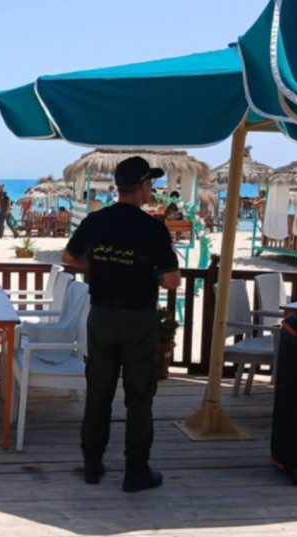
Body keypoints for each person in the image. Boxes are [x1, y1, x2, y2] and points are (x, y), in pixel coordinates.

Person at [62, 156, 181, 493]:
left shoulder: (96, 221)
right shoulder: (153, 228)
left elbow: (68, 258)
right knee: (139, 396)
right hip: (138, 318)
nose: (152, 189)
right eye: (151, 183)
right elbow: (171, 280)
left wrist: (99, 267)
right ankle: (136, 471)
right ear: (142, 186)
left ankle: (92, 464)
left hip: (101, 315)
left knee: (98, 391)